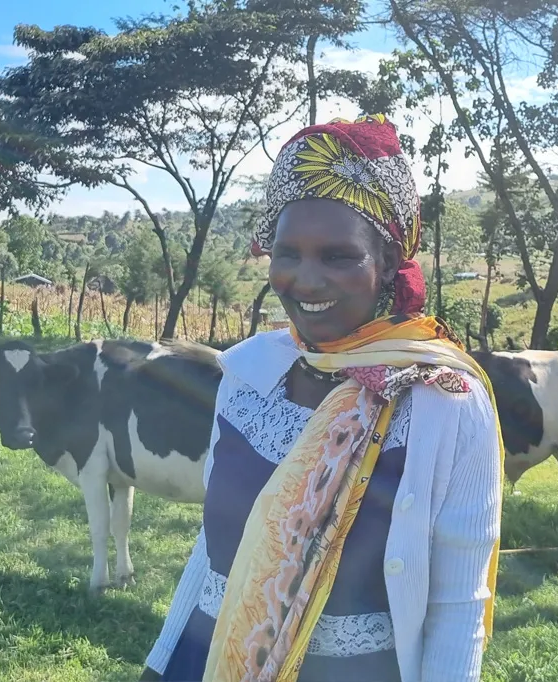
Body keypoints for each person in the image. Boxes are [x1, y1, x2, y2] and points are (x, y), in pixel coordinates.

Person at [139, 113, 505, 682]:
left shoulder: (444, 399)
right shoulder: (247, 374)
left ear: (386, 263)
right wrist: (162, 662)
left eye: (338, 256)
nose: (305, 281)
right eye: (288, 254)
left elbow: (460, 602)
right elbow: (215, 557)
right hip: (208, 662)